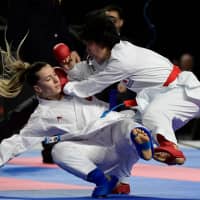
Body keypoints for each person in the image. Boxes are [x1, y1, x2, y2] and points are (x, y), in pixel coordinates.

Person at [0, 44, 153, 198]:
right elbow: (18, 142)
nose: (55, 80)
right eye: (48, 79)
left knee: (126, 125)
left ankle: (143, 142)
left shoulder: (74, 84)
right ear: (38, 89)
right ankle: (103, 180)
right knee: (58, 151)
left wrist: (71, 65)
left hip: (117, 134)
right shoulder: (43, 117)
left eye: (54, 74)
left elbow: (97, 71)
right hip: (98, 152)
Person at [61, 13, 200, 166]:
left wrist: (64, 87)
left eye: (89, 44)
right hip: (158, 99)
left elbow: (91, 86)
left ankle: (170, 147)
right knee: (124, 128)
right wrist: (69, 71)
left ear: (102, 42)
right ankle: (116, 178)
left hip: (182, 93)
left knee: (154, 112)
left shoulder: (122, 58)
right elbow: (88, 70)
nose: (87, 49)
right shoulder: (107, 57)